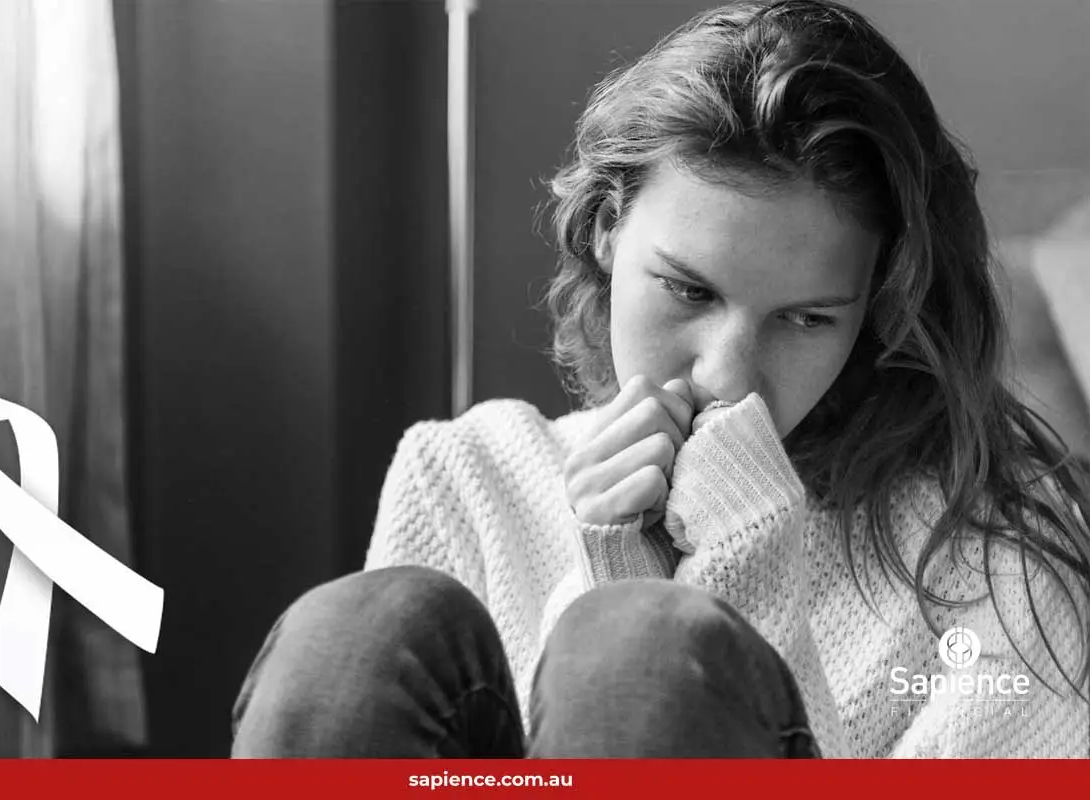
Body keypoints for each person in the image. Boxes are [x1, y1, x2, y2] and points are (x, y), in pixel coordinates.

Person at [231, 0, 1090, 758]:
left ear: (879, 310)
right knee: (360, 632)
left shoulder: (996, 573)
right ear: (607, 231)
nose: (729, 379)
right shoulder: (467, 476)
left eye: (806, 318)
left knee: (638, 647)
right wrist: (606, 571)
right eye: (688, 290)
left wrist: (737, 579)